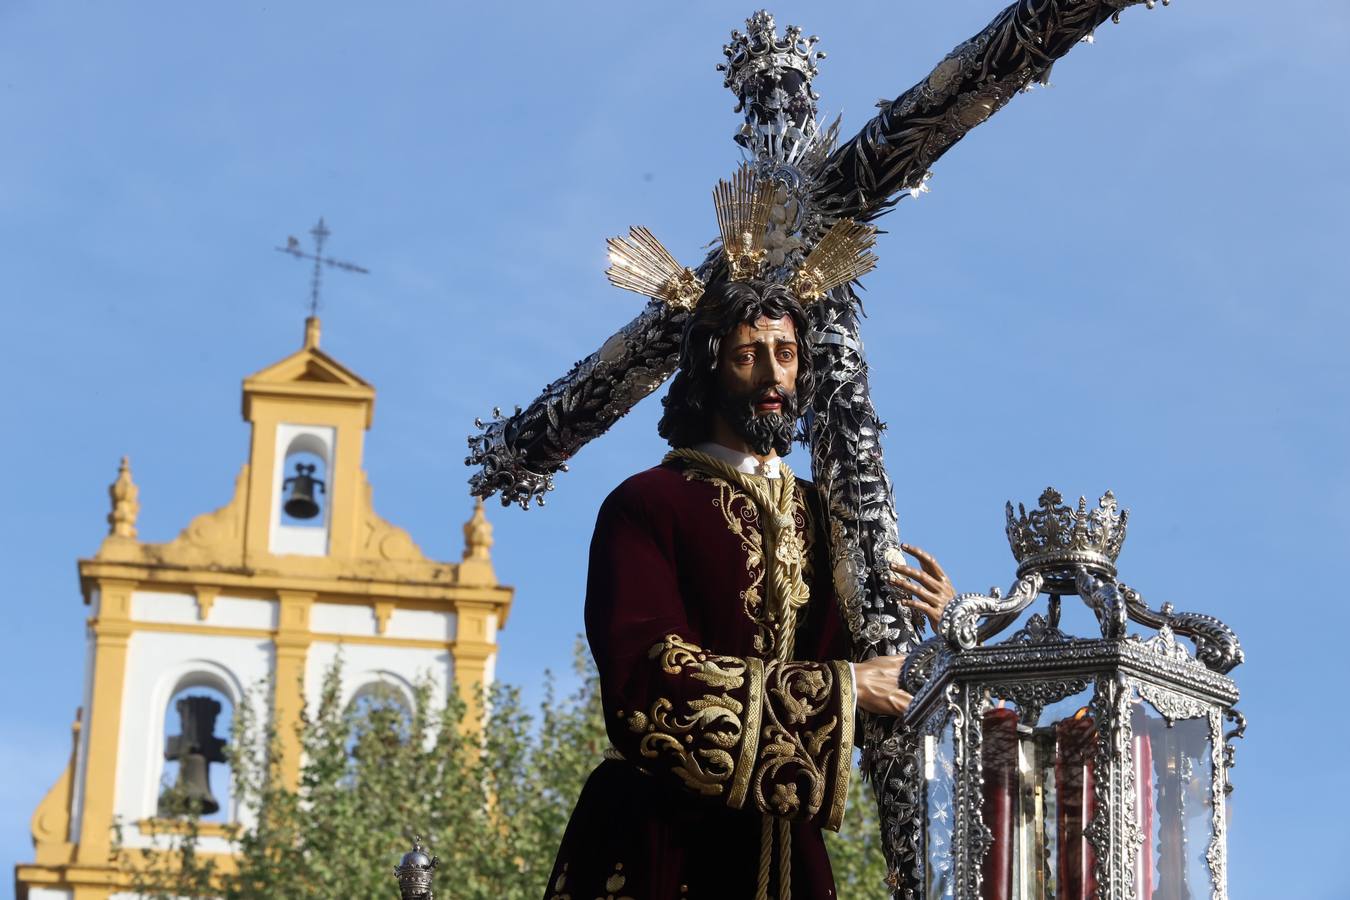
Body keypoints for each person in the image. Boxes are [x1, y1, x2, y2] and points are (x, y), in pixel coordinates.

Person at [542, 279, 956, 900]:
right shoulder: (646, 505)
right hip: (663, 842)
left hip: (789, 850)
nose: (772, 376)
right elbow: (647, 681)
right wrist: (843, 691)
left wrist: (949, 638)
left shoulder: (832, 519)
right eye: (748, 355)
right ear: (709, 370)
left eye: (786, 354)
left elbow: (884, 683)